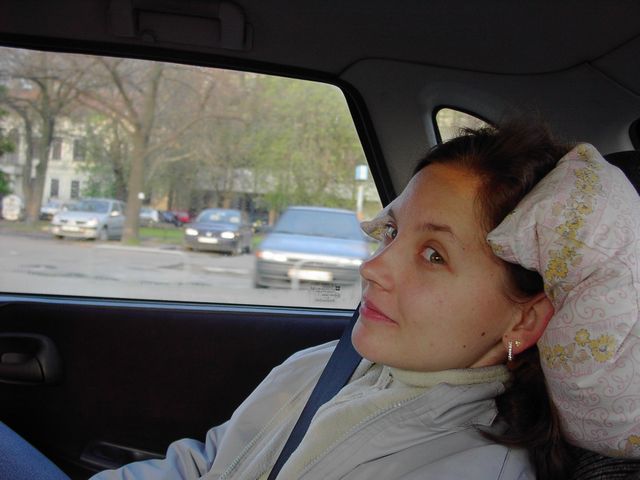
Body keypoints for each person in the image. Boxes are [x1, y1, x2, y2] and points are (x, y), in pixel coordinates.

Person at [91, 120, 639, 480]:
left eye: (434, 256)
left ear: (523, 320)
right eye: (392, 233)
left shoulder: (476, 467)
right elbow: (210, 464)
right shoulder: (320, 367)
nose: (372, 266)